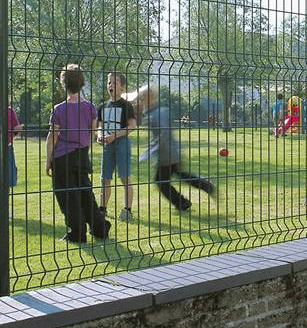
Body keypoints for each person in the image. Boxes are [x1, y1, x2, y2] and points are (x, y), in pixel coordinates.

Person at [45, 64, 110, 244]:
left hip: (62, 157)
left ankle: (77, 232)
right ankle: (99, 228)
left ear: (63, 83)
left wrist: (48, 161)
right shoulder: (90, 107)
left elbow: (53, 136)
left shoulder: (59, 109)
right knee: (85, 193)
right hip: (82, 155)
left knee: (68, 197)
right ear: (82, 83)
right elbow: (92, 130)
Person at [136, 84, 215, 211]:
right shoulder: (158, 111)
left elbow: (163, 133)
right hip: (171, 151)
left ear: (148, 98)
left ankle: (183, 202)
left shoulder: (157, 113)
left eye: (142, 98)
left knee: (161, 182)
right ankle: (205, 187)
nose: (141, 100)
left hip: (166, 154)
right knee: (181, 175)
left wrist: (151, 150)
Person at [97, 72, 136, 222]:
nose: (111, 85)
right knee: (104, 178)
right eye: (109, 82)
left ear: (122, 86)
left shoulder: (126, 105)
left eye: (115, 82)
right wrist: (100, 135)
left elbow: (132, 126)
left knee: (124, 177)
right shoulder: (102, 106)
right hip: (107, 146)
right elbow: (100, 126)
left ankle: (127, 210)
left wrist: (115, 135)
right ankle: (102, 209)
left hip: (122, 144)